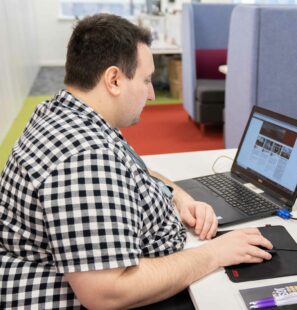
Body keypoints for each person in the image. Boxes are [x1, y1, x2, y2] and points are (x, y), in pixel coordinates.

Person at [0, 13, 273, 309]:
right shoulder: (85, 158)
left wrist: (179, 199)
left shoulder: (69, 113)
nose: (153, 94)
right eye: (146, 80)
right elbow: (108, 292)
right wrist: (215, 254)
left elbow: (135, 170)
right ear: (114, 79)